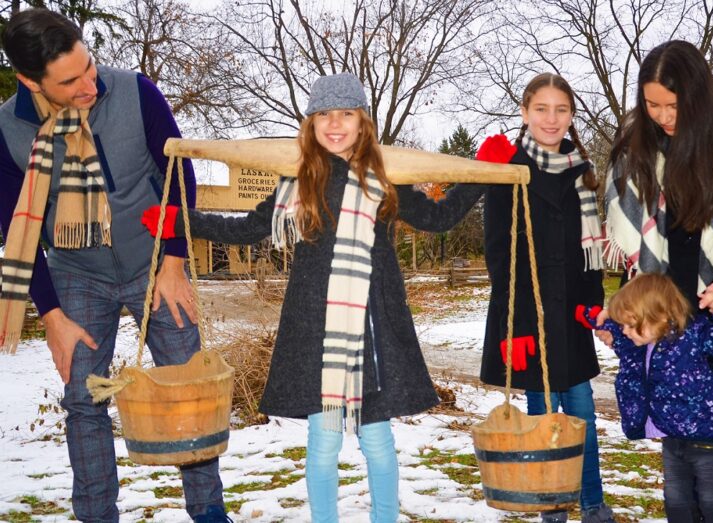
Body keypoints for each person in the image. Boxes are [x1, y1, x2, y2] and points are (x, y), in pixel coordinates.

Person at [143, 72, 485, 522]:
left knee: (377, 441)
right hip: (316, 329)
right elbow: (248, 228)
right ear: (310, 122)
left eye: (346, 113)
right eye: (324, 113)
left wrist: (481, 174)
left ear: (363, 122)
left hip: (372, 328)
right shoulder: (297, 181)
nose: (335, 123)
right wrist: (181, 219)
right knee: (323, 443)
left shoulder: (387, 178)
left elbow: (438, 219)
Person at [0, 9, 228, 522]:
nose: (89, 84)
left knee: (189, 384)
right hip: (76, 275)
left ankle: (210, 512)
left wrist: (172, 260)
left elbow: (178, 172)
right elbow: (18, 227)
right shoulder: (8, 130)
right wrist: (52, 316)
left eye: (89, 66)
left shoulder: (134, 91)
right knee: (84, 400)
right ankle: (97, 516)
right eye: (70, 80)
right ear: (29, 81)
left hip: (153, 263)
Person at [602, 40, 713, 521]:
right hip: (673, 312)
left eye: (672, 105)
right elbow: (635, 230)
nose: (662, 116)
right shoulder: (639, 140)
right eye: (652, 104)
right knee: (684, 432)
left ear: (695, 93)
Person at [475, 73, 614, 523]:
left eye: (561, 110)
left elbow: (590, 256)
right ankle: (549, 506)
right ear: (524, 112)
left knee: (582, 414)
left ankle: (592, 504)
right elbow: (499, 254)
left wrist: (593, 306)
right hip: (529, 317)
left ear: (572, 116)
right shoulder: (509, 170)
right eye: (541, 109)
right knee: (541, 417)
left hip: (571, 317)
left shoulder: (583, 173)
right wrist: (511, 328)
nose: (551, 119)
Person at [583, 273, 713, 522]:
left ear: (655, 315)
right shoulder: (640, 346)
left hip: (707, 440)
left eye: (630, 324)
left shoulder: (693, 335)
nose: (625, 331)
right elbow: (619, 334)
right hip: (672, 439)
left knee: (710, 500)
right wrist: (597, 319)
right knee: (676, 500)